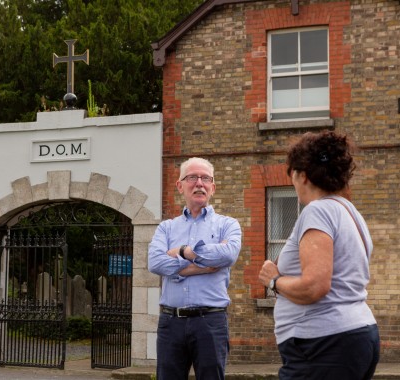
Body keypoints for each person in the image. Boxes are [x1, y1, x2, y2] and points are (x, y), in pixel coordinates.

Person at [258, 130, 380, 380]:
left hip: (322, 346)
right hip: (354, 336)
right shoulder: (349, 211)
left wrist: (274, 280)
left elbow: (314, 287)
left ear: (301, 175)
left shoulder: (318, 211)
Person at [148, 157, 242, 380]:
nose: (199, 183)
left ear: (213, 187)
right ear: (180, 185)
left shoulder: (227, 225)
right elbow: (155, 263)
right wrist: (202, 264)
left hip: (210, 321)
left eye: (205, 178)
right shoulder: (166, 227)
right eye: (192, 177)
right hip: (171, 323)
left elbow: (228, 255)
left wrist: (182, 252)